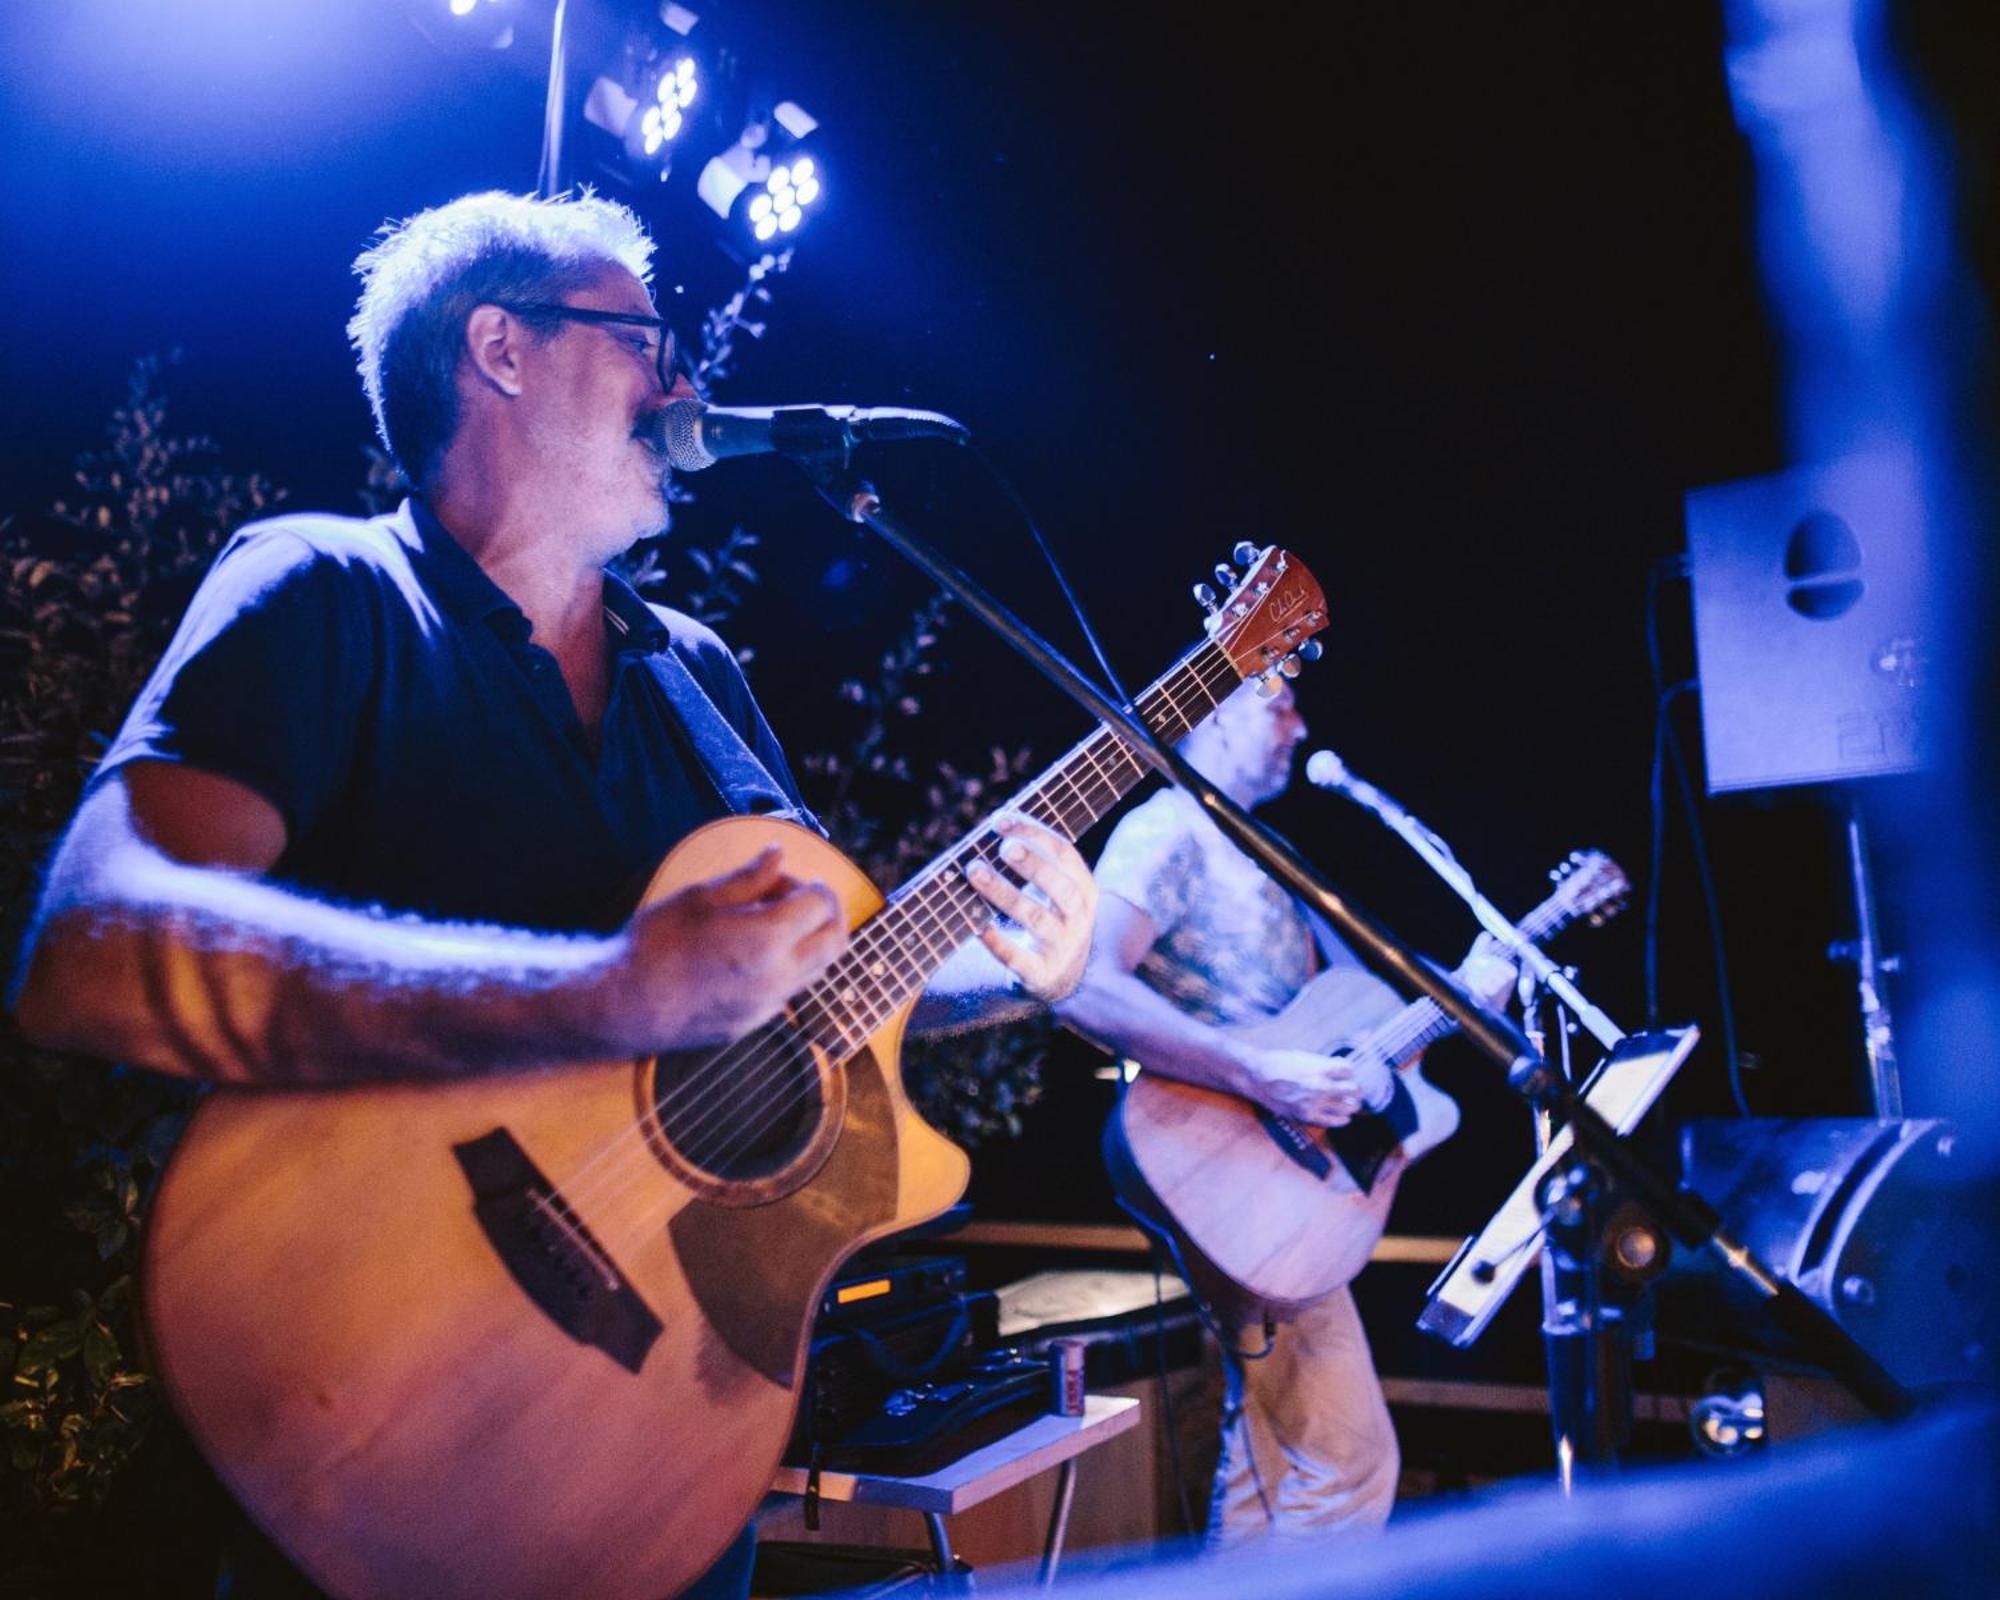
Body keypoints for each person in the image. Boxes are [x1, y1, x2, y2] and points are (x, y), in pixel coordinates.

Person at [9, 191, 1097, 1597]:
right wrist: (607, 995)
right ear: (500, 349)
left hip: (657, 1455)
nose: (682, 381)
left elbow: (814, 997)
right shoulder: (328, 588)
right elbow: (94, 947)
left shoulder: (696, 676)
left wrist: (1007, 969)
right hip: (372, 1402)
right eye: (642, 338)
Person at [1057, 679, 1511, 1549]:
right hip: (1225, 1171)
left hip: (1263, 1189)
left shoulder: (1256, 850)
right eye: (1280, 704)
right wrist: (1260, 1073)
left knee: (1268, 1455)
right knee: (1349, 1462)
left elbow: (1352, 1028)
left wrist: (1462, 995)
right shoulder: (1167, 830)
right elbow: (1082, 986)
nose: (1301, 727)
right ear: (1216, 710)